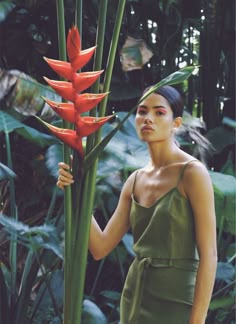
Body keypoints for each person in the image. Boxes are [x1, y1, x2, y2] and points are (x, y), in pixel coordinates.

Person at [57, 85, 217, 324]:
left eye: (159, 112)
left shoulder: (193, 173)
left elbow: (210, 255)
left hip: (178, 300)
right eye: (142, 111)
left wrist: (197, 321)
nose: (148, 119)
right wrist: (75, 190)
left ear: (176, 123)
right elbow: (99, 247)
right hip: (136, 295)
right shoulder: (134, 181)